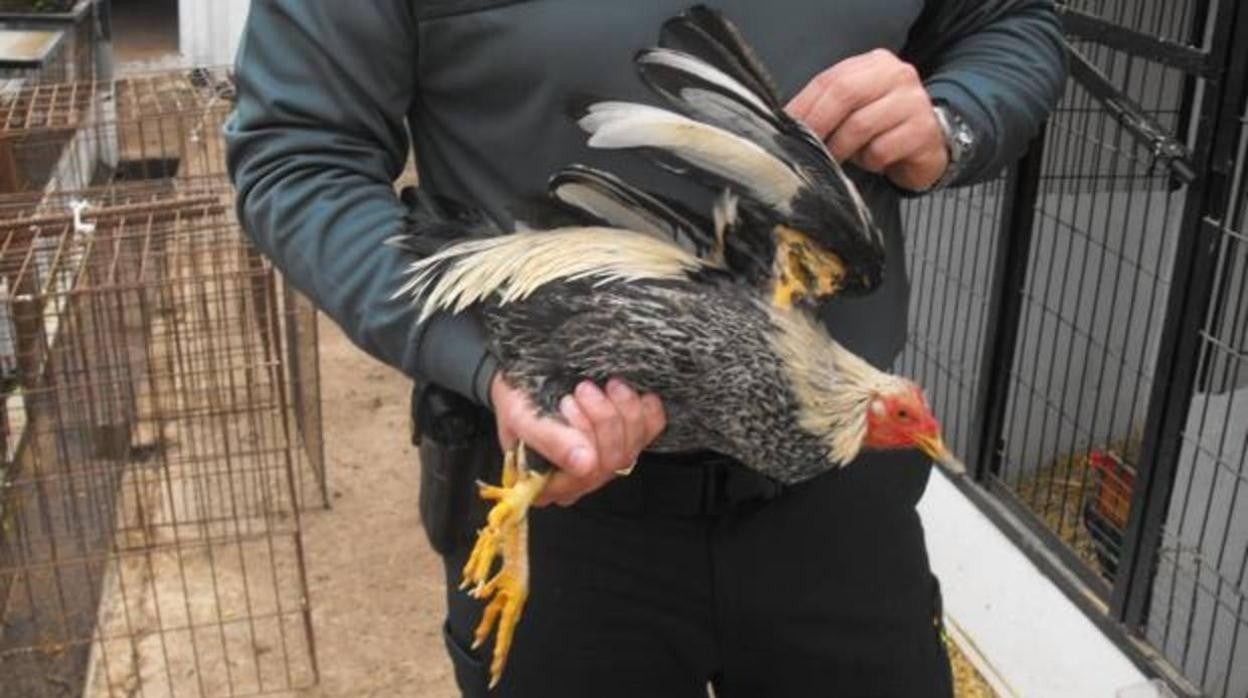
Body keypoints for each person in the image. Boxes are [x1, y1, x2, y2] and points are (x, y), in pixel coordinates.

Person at [226, 2, 1066, 696]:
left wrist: (955, 119)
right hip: (556, 499)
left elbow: (1011, 22)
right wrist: (488, 364)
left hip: (836, 502)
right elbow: (300, 154)